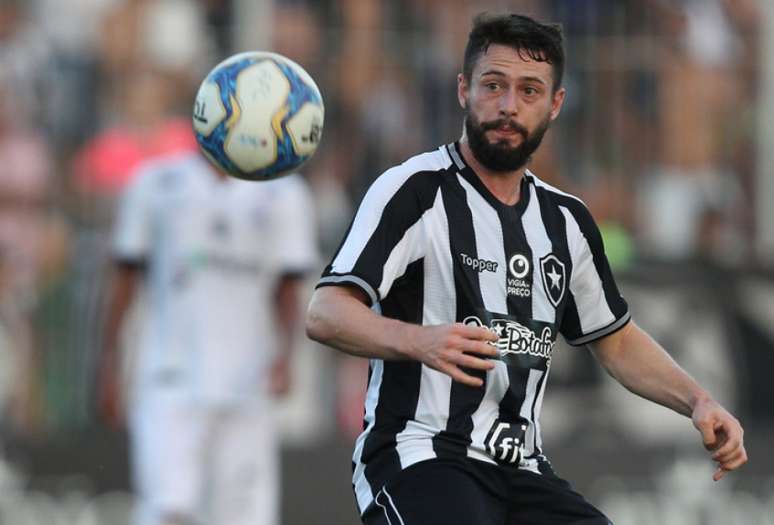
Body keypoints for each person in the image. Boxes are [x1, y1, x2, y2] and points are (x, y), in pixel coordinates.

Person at [305, 12, 747, 525]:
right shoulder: (415, 191)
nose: (509, 106)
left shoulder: (566, 221)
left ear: (555, 104)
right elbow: (326, 312)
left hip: (522, 469)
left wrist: (698, 400)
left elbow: (617, 340)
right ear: (464, 89)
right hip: (420, 455)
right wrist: (418, 340)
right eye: (493, 85)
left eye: (529, 91)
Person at [101, 149, 317, 525]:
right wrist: (109, 365)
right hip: (169, 380)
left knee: (245, 517)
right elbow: (124, 280)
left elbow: (288, 288)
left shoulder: (286, 193)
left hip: (249, 386)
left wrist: (286, 357)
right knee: (170, 510)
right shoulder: (155, 182)